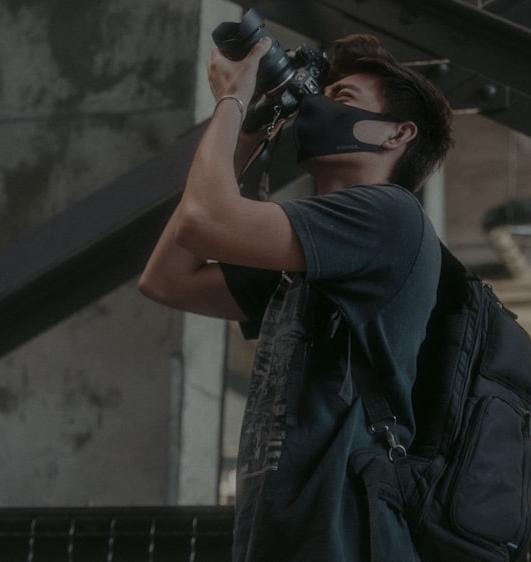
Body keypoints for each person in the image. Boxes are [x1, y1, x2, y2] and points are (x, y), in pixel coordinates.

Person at [139, 32, 454, 562]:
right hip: (287, 537)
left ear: (397, 134)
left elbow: (203, 219)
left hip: (344, 538)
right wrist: (251, 132)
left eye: (344, 98)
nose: (319, 105)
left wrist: (232, 101)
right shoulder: (311, 256)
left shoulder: (390, 216)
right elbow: (167, 278)